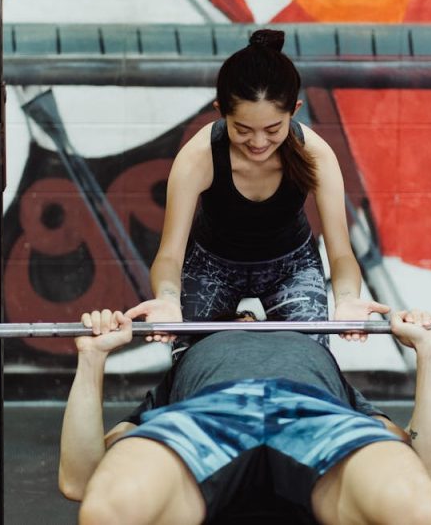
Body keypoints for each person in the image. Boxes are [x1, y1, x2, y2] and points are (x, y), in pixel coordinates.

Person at [58, 308, 431, 524]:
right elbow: (79, 479)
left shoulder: (325, 367)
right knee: (110, 509)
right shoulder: (187, 364)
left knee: (411, 509)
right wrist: (92, 358)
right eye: (240, 314)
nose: (251, 313)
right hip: (209, 413)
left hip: (311, 412)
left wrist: (429, 352)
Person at [126, 29, 388, 352]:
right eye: (243, 130)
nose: (259, 142)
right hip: (213, 266)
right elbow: (168, 255)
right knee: (192, 359)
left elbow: (341, 253)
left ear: (294, 110)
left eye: (273, 129)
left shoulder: (316, 154)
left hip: (291, 266)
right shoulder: (199, 157)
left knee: (311, 357)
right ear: (221, 110)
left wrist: (347, 300)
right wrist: (167, 298)